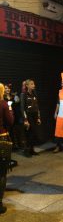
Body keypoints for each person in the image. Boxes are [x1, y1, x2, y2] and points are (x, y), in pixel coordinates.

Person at [0, 83, 14, 214]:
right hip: (1, 139)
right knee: (2, 172)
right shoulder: (3, 103)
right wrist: (10, 108)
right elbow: (10, 121)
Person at [20, 79, 41, 157]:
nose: (34, 85)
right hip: (28, 116)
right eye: (32, 84)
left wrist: (38, 117)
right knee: (28, 134)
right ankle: (26, 151)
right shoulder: (23, 94)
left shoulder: (34, 93)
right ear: (27, 85)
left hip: (34, 116)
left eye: (33, 84)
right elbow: (22, 108)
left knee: (33, 134)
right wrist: (25, 120)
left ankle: (32, 150)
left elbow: (37, 106)